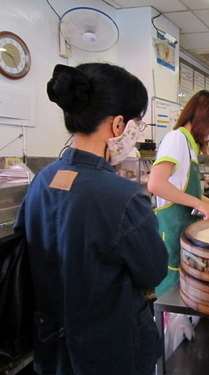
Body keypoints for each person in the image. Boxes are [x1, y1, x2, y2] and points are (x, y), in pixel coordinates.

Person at [14, 63, 168, 375]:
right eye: (137, 124)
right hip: (111, 349)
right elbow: (152, 271)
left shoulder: (42, 180)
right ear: (118, 125)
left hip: (52, 348)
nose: (136, 134)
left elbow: (25, 252)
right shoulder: (124, 195)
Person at [148, 90, 209, 297]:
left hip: (185, 236)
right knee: (172, 301)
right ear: (203, 116)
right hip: (172, 234)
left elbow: (186, 190)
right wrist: (199, 205)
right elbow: (156, 184)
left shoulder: (188, 146)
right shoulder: (176, 138)